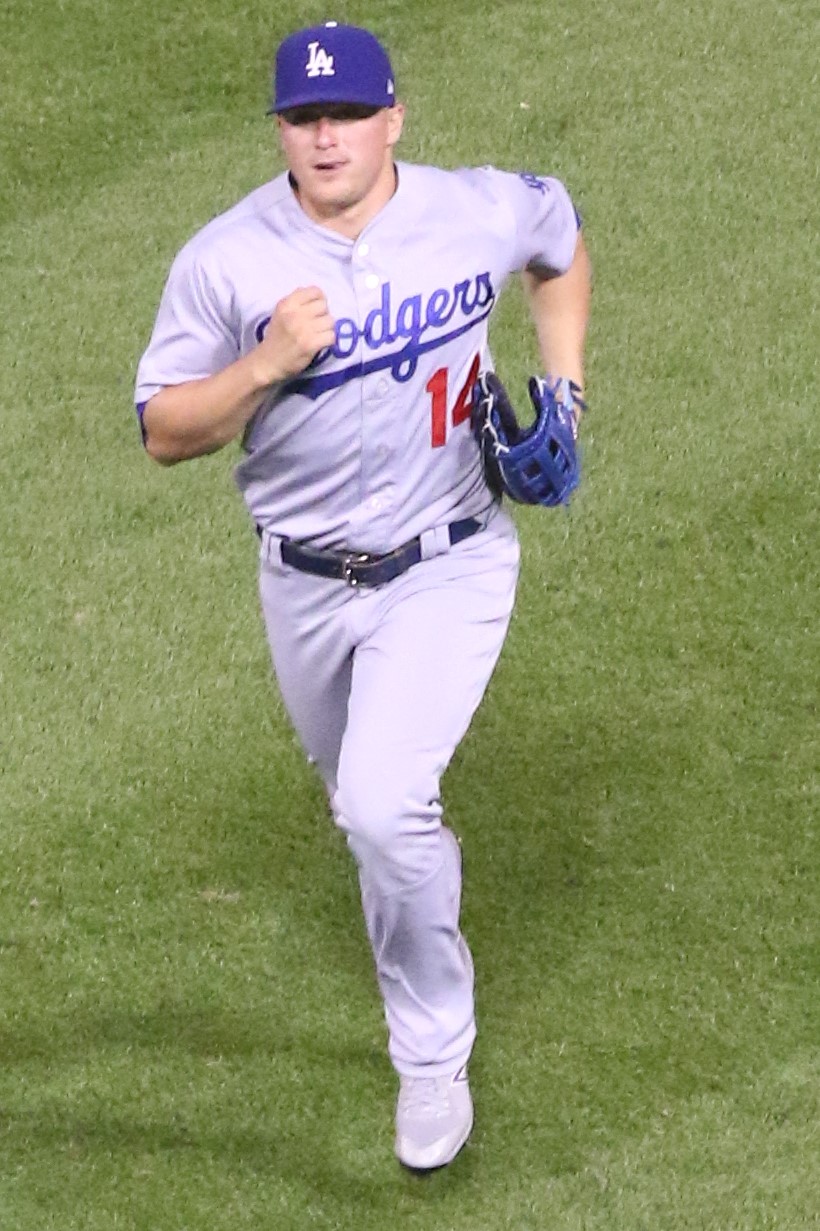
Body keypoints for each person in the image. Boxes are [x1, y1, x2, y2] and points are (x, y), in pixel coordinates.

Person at [135, 20, 591, 1171]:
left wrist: (567, 393)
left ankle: (432, 1054)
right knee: (369, 811)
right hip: (303, 587)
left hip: (451, 556)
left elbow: (559, 238)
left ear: (394, 117)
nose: (324, 135)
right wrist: (263, 365)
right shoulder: (227, 260)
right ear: (281, 129)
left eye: (346, 114)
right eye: (302, 116)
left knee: (384, 808)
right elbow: (162, 429)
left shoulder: (471, 208)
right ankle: (413, 898)